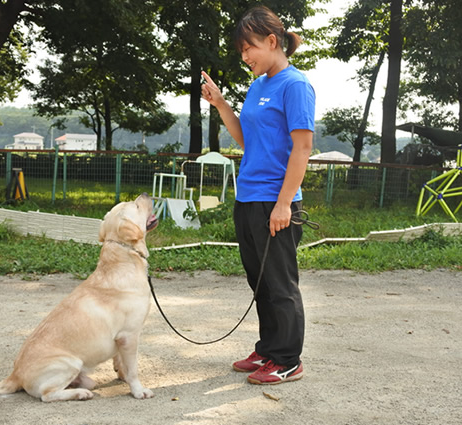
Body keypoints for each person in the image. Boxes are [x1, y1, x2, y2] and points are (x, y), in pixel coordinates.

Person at [201, 5, 315, 385]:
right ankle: (268, 348)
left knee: (280, 284)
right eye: (241, 52)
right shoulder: (258, 85)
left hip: (275, 201)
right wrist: (220, 103)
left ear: (271, 41)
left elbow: (302, 149)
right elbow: (247, 140)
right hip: (248, 197)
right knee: (260, 281)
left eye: (248, 48)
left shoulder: (295, 85)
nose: (245, 57)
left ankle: (287, 359)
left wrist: (284, 203)